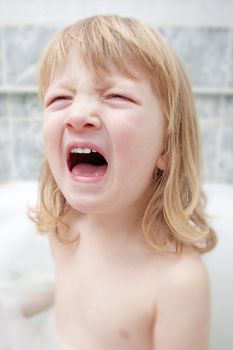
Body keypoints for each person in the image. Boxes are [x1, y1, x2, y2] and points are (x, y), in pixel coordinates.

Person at [29, 14, 217, 350]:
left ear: (166, 146)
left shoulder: (178, 282)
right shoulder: (65, 229)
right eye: (60, 99)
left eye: (117, 96)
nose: (77, 115)